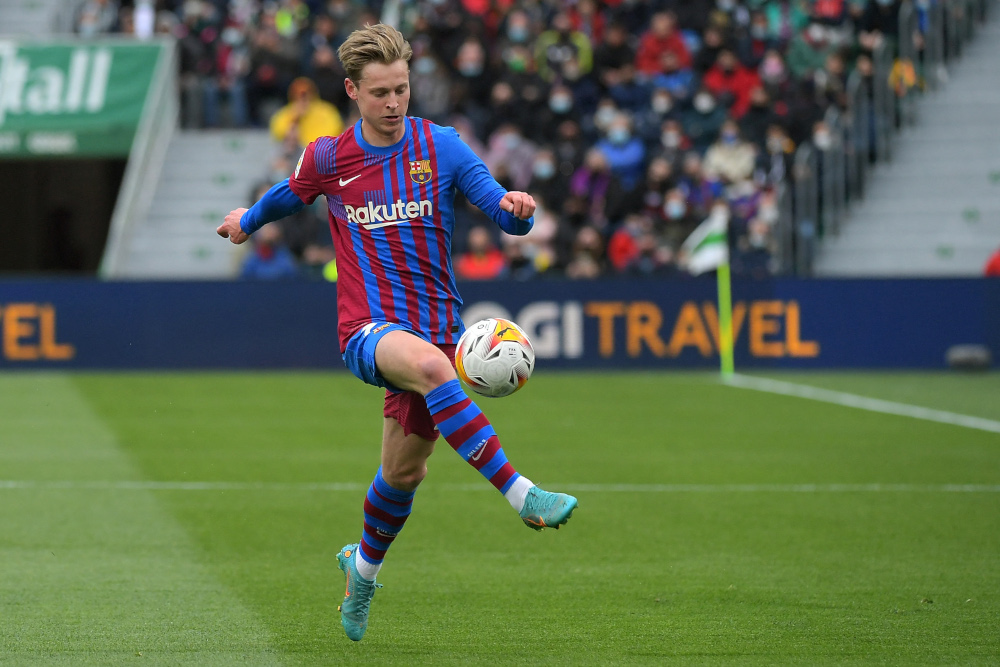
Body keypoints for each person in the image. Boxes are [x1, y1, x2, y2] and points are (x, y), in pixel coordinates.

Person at [216, 23, 578, 643]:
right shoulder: (331, 157)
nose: (393, 103)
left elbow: (498, 210)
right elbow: (288, 194)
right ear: (353, 91)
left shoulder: (442, 147)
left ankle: (360, 571)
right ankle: (524, 496)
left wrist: (519, 211)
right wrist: (246, 221)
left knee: (403, 475)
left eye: (402, 89)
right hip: (368, 330)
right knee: (440, 372)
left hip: (436, 331)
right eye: (380, 92)